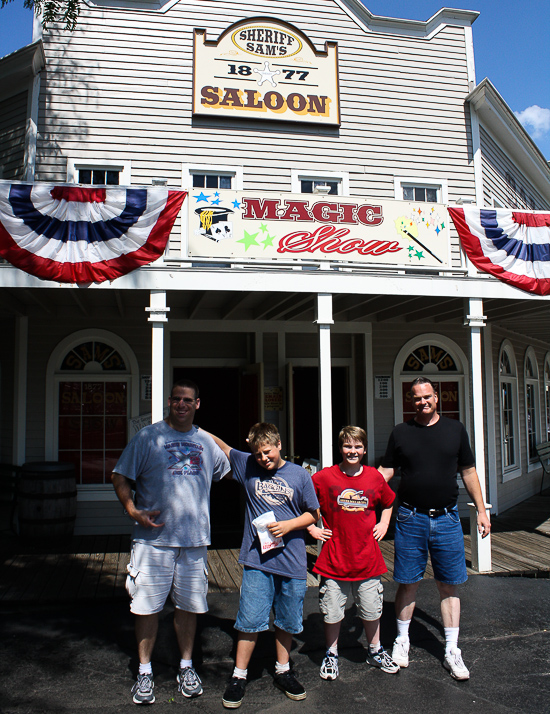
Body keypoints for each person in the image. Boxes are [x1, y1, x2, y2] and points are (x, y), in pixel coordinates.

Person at [111, 379, 230, 705]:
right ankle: (145, 672)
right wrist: (133, 510)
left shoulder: (205, 442)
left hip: (194, 543)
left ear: (197, 404)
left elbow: (227, 468)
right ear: (169, 401)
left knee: (188, 608)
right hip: (153, 542)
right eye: (176, 399)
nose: (181, 404)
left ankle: (187, 666)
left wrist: (206, 435)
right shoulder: (148, 437)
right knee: (146, 608)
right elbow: (119, 475)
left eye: (187, 400)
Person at [378, 376, 491, 681]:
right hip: (410, 519)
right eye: (417, 398)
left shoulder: (455, 429)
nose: (423, 402)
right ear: (409, 401)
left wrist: (481, 510)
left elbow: (468, 471)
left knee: (448, 584)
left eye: (427, 397)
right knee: (407, 582)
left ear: (436, 397)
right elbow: (387, 470)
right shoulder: (401, 432)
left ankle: (452, 650)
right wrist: (361, 482)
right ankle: (402, 641)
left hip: (447, 519)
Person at [205, 423, 320, 709]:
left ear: (279, 445)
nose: (262, 458)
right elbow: (222, 446)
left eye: (267, 452)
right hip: (258, 560)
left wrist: (289, 525)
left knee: (287, 619)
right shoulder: (247, 465)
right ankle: (238, 676)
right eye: (257, 454)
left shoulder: (299, 474)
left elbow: (313, 514)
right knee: (249, 619)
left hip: (292, 561)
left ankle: (283, 670)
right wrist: (194, 427)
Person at [308, 426, 398, 680]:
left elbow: (389, 501)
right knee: (333, 610)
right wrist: (311, 528)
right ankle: (331, 653)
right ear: (340, 449)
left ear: (365, 449)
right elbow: (302, 499)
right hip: (334, 559)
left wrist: (383, 522)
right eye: (348, 446)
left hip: (367, 559)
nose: (353, 451)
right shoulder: (325, 477)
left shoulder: (373, 477)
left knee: (371, 610)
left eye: (358, 446)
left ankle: (375, 650)